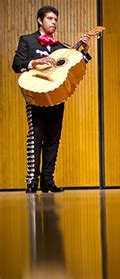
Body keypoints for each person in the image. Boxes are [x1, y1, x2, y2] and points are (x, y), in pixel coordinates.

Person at [12, 6, 92, 193]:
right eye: (49, 19)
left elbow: (75, 66)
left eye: (55, 19)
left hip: (56, 96)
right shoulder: (28, 40)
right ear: (40, 20)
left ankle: (48, 181)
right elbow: (17, 65)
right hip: (36, 95)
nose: (53, 22)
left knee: (53, 139)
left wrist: (85, 51)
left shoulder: (61, 47)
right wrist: (35, 63)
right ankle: (32, 181)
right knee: (35, 137)